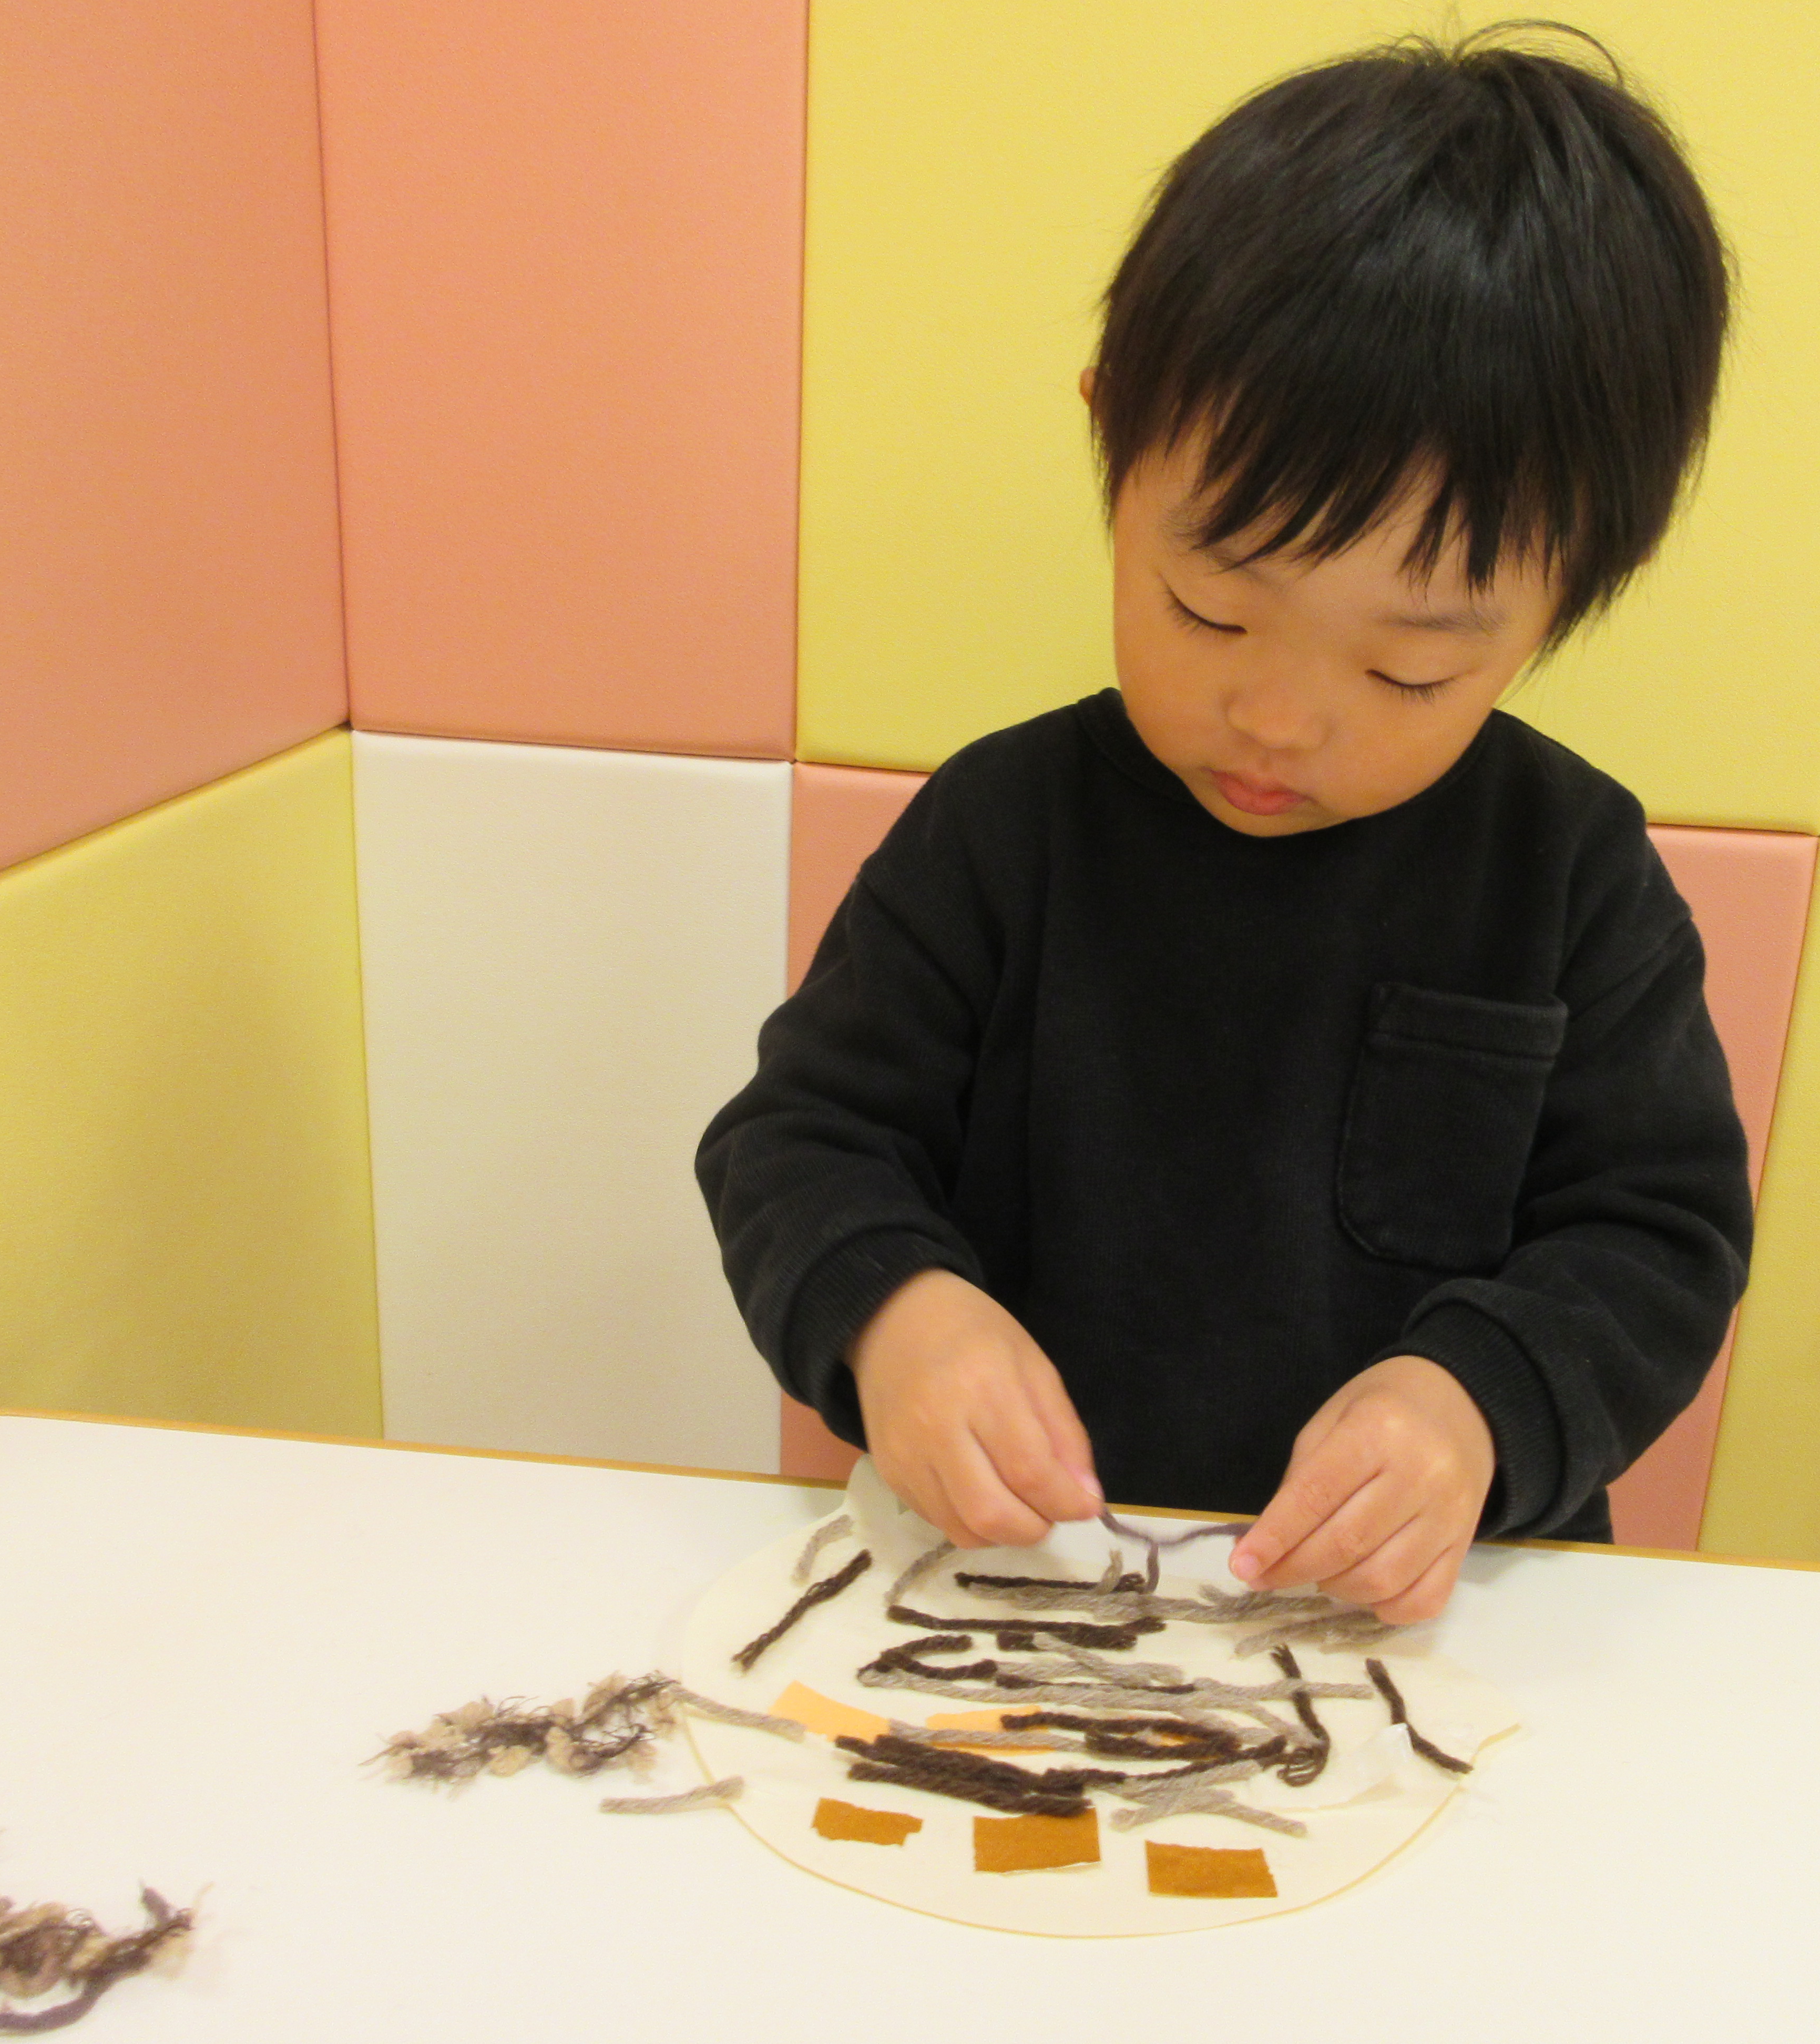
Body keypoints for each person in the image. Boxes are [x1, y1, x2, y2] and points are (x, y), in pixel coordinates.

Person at [698, 28, 1750, 1622]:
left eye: (1407, 669)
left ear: (1575, 588)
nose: (1280, 719)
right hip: (1026, 1593)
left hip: (1412, 1618)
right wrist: (899, 1314)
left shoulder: (1571, 874)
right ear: (1110, 441)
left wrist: (1474, 1401)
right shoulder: (1002, 833)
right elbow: (798, 1143)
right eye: (1209, 609)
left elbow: (1655, 1236)